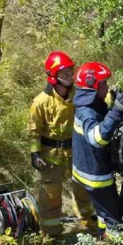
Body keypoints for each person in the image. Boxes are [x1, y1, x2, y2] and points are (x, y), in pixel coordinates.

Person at [27, 51, 96, 235]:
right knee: (51, 195)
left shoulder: (79, 96)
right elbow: (34, 131)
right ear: (52, 75)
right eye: (63, 71)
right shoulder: (41, 102)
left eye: (69, 70)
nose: (68, 74)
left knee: (82, 189)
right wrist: (35, 154)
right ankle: (51, 232)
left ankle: (88, 225)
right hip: (51, 155)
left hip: (77, 150)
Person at [71, 62, 123, 236]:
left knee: (102, 212)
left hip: (88, 169)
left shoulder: (91, 104)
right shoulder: (86, 112)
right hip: (95, 176)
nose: (107, 87)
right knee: (113, 217)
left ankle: (102, 236)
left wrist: (114, 105)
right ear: (93, 86)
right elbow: (97, 139)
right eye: (104, 84)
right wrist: (117, 112)